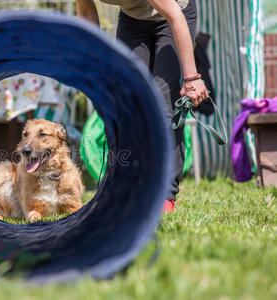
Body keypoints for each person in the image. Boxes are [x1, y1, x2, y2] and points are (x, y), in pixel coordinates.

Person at [76, 0, 208, 212]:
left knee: (164, 106)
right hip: (133, 18)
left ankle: (165, 194)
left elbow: (174, 16)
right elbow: (86, 12)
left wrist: (191, 77)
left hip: (174, 12)